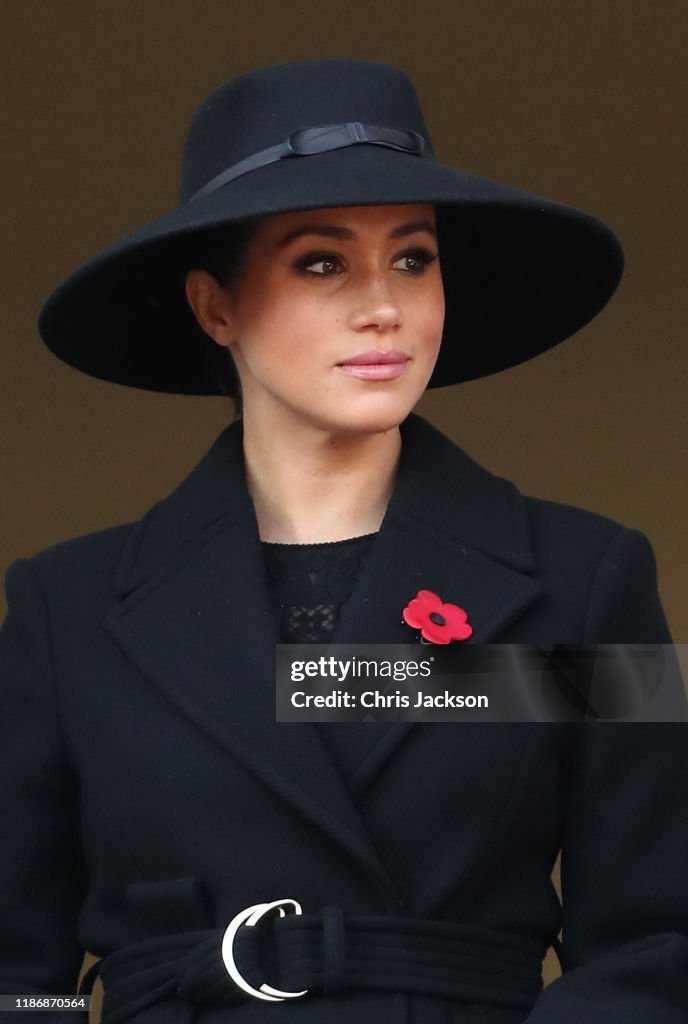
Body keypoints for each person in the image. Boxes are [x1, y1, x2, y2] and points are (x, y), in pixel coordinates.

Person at [1, 58, 686, 1024]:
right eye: (321, 262)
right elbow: (15, 977)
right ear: (215, 306)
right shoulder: (61, 611)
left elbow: (659, 947)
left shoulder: (586, 581)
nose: (385, 305)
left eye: (414, 257)